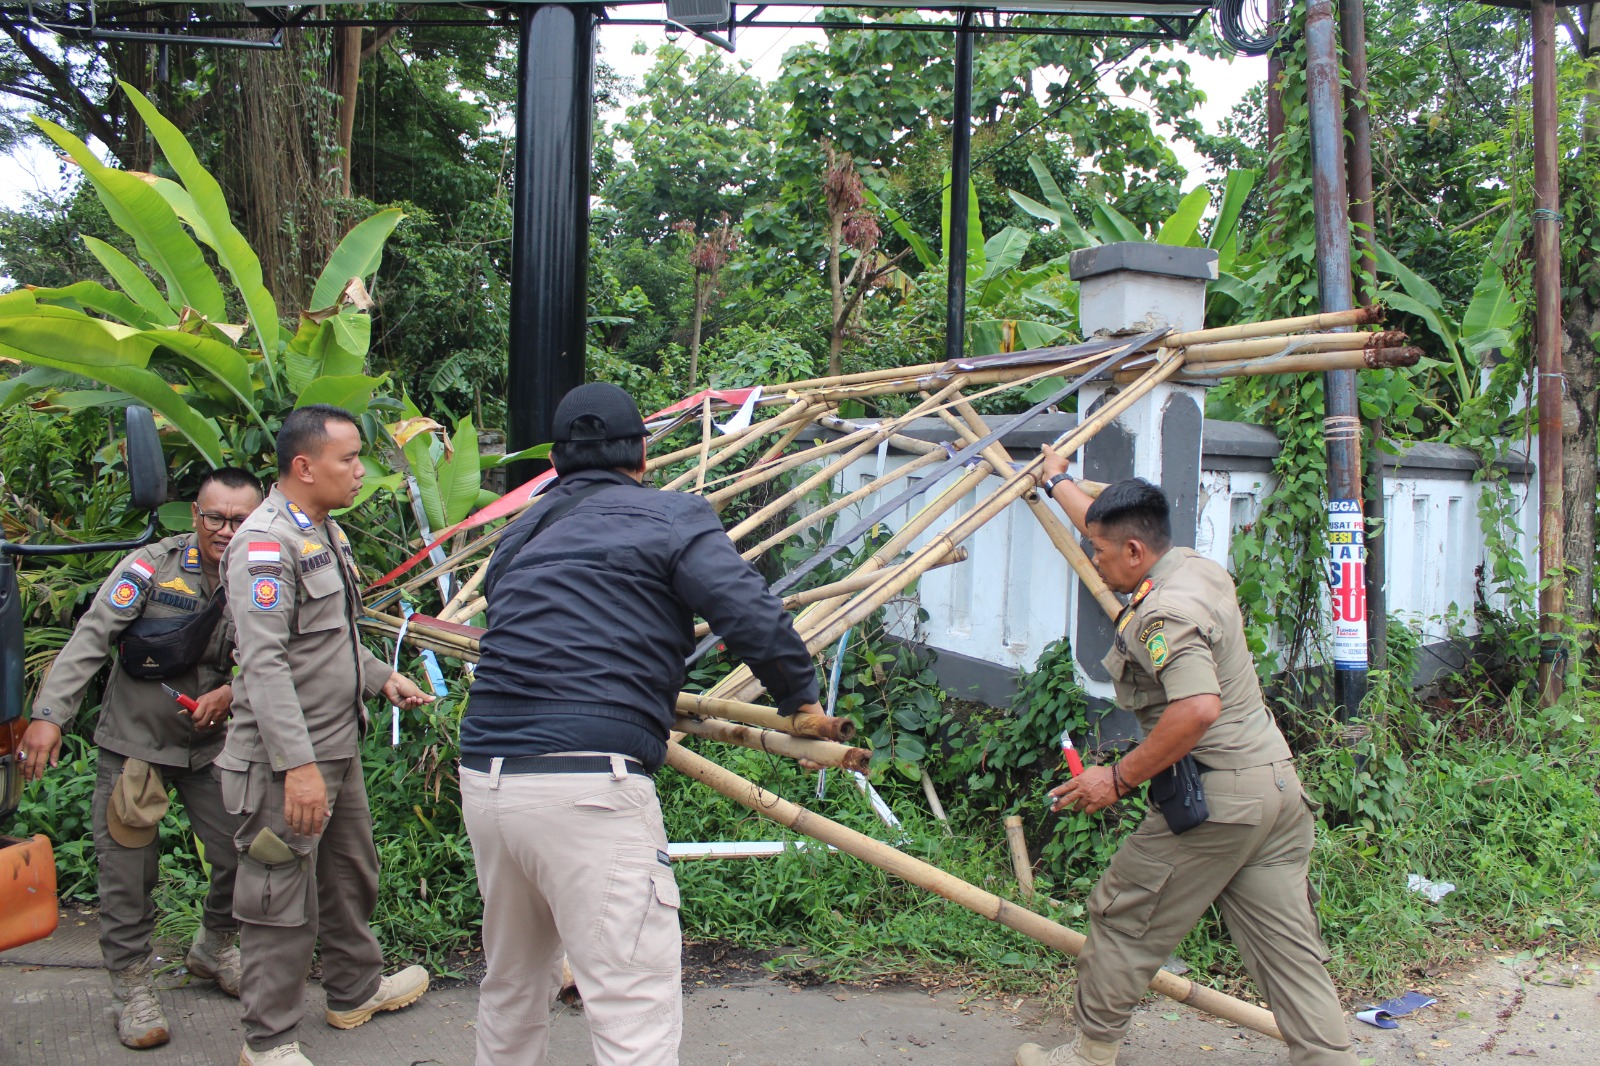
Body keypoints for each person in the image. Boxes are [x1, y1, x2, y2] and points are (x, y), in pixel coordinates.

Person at [462, 382, 823, 1066]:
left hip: (487, 777)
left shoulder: (520, 532)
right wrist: (801, 702)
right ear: (644, 456)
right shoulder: (670, 516)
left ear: (556, 462)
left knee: (512, 985)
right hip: (587, 786)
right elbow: (749, 613)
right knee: (633, 1006)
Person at [1018, 453, 1359, 1066]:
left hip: (1218, 801)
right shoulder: (1197, 568)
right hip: (1277, 792)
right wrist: (1056, 480)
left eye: (1099, 551)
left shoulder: (1163, 614)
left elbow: (1198, 708)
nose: (1092, 558)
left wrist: (1117, 778)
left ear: (1133, 551)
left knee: (1123, 916)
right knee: (1290, 953)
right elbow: (1110, 523)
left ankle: (1089, 1055)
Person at [218, 404, 435, 1066]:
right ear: (305, 466)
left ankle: (354, 989)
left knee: (348, 875)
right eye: (349, 458)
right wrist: (298, 766)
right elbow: (264, 663)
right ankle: (268, 1040)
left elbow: (327, 639)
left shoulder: (321, 531)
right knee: (279, 896)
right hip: (287, 761)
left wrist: (379, 677)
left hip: (336, 747)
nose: (360, 470)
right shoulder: (265, 544)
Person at [18, 467, 263, 1049]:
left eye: (240, 519)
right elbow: (92, 636)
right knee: (128, 873)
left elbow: (292, 652)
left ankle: (216, 946)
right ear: (195, 515)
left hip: (215, 747)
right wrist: (49, 716)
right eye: (215, 517)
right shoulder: (152, 568)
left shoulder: (265, 573)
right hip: (137, 747)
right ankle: (131, 987)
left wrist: (233, 693)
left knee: (246, 851)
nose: (226, 530)